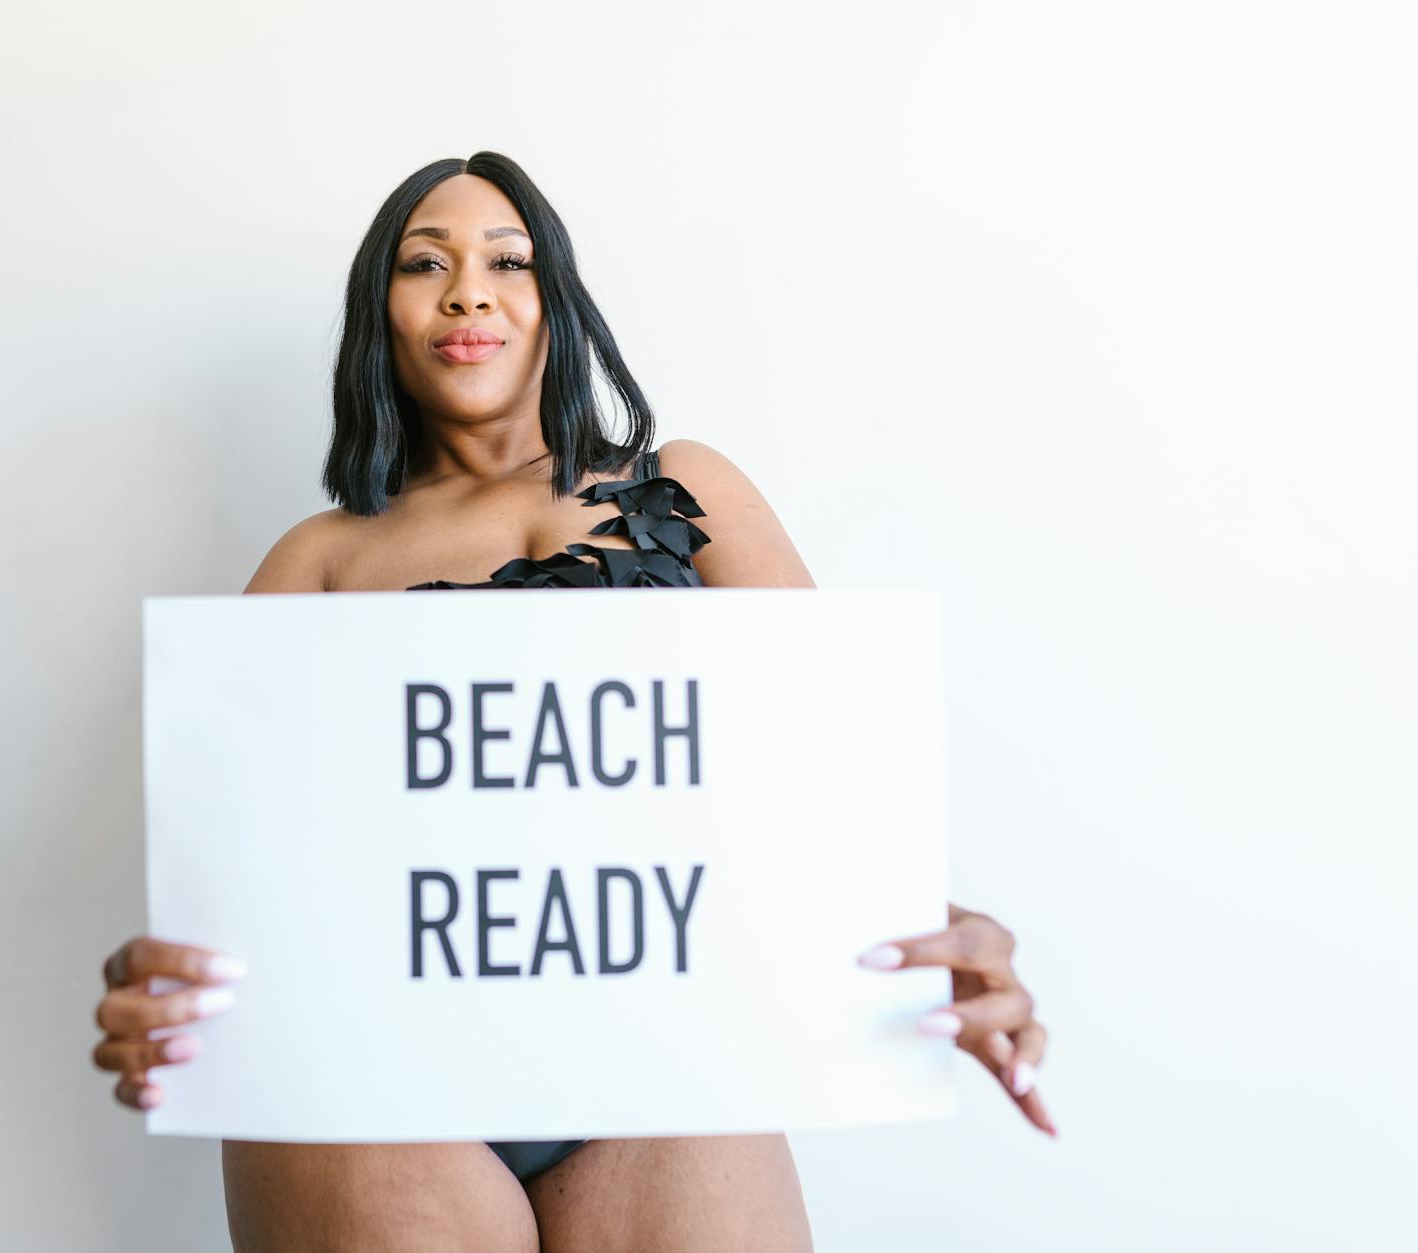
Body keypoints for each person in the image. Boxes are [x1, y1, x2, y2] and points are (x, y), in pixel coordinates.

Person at [91, 152, 1054, 1252]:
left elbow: (819, 773)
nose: (466, 289)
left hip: (669, 1048)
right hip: (375, 1068)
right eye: (423, 263)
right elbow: (238, 878)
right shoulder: (316, 559)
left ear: (558, 303)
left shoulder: (686, 485)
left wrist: (934, 936)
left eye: (509, 259)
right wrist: (162, 985)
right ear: (382, 314)